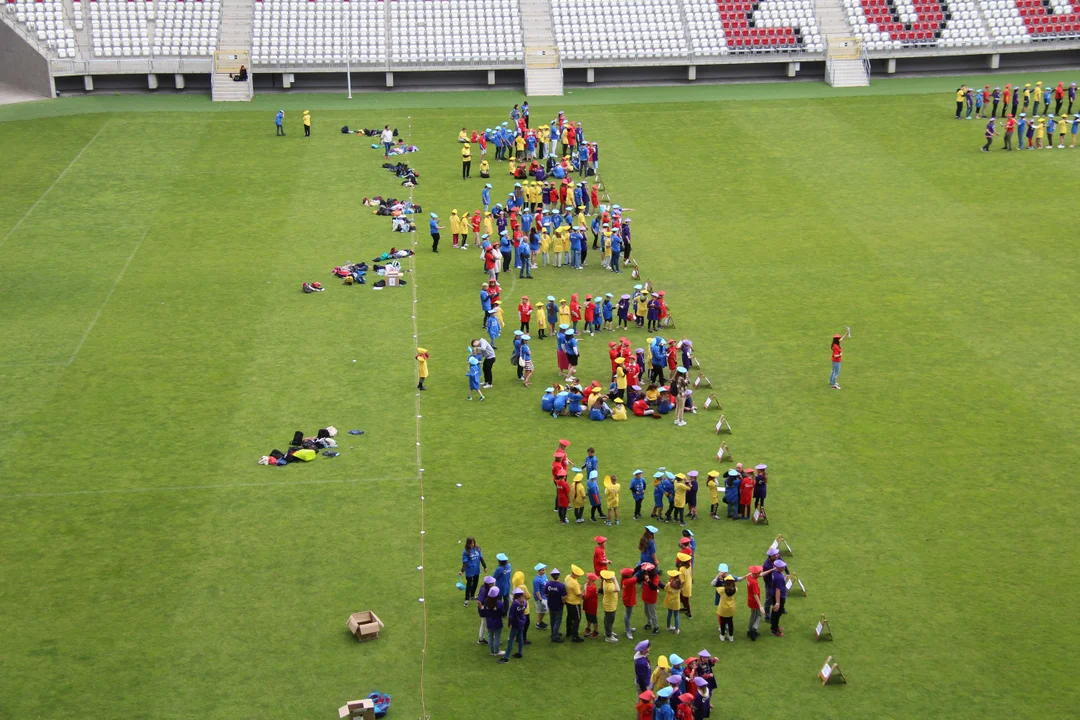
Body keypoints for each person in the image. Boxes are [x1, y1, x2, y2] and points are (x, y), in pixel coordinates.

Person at [459, 536, 486, 607]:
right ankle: (466, 599)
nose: (472, 544)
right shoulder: (466, 552)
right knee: (469, 585)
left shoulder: (477, 549)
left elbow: (481, 558)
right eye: (471, 543)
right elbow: (465, 563)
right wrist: (462, 571)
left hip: (476, 570)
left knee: (475, 583)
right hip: (469, 571)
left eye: (473, 543)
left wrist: (485, 566)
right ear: (468, 544)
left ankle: (472, 595)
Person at [502, 587, 527, 661]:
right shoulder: (524, 602)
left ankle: (506, 657)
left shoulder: (515, 604)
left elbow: (511, 615)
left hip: (516, 623)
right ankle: (520, 653)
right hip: (522, 622)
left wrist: (509, 623)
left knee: (511, 640)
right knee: (520, 637)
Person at [545, 568, 567, 642]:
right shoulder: (561, 586)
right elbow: (563, 597)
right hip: (558, 606)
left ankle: (553, 633)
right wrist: (563, 603)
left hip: (550, 604)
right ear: (558, 576)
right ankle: (554, 637)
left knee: (552, 619)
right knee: (558, 620)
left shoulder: (548, 584)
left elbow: (546, 594)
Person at [483, 587, 505, 657]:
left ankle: (491, 651)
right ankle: (496, 651)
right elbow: (503, 613)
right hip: (497, 621)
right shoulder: (499, 603)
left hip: (489, 621)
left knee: (490, 636)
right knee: (497, 637)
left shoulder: (486, 601)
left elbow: (484, 611)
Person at [565, 565, 585, 642]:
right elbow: (579, 594)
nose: (579, 576)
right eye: (578, 575)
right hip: (574, 603)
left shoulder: (567, 577)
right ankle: (575, 636)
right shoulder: (574, 583)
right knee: (577, 619)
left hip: (568, 601)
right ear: (574, 574)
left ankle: (568, 632)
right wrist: (585, 591)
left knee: (569, 617)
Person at [770, 559, 788, 636]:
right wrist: (778, 602)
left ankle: (775, 626)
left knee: (776, 612)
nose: (784, 568)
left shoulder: (775, 572)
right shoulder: (779, 577)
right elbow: (778, 590)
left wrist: (784, 578)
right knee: (777, 612)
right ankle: (774, 630)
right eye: (782, 567)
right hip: (779, 596)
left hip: (774, 594)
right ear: (778, 567)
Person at [600, 569, 620, 642]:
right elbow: (618, 589)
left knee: (607, 619)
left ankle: (608, 632)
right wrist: (615, 580)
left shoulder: (606, 581)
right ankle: (608, 636)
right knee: (609, 620)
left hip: (608, 603)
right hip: (610, 606)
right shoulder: (609, 585)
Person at [621, 567, 639, 640]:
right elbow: (638, 578)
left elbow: (634, 572)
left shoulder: (625, 580)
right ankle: (628, 630)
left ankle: (628, 628)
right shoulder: (628, 581)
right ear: (628, 575)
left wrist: (639, 567)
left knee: (628, 614)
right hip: (628, 600)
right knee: (628, 615)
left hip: (628, 599)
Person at [664, 569, 682, 634]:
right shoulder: (679, 583)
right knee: (676, 615)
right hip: (676, 602)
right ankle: (677, 630)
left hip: (669, 601)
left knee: (669, 613)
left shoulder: (669, 584)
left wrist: (668, 582)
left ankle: (668, 627)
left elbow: (665, 588)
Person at [583, 572, 600, 638]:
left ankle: (596, 632)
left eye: (587, 578)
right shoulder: (589, 586)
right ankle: (588, 628)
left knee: (593, 619)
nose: (586, 579)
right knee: (588, 617)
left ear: (591, 580)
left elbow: (586, 596)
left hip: (591, 606)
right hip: (588, 605)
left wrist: (584, 588)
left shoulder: (592, 588)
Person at [532, 563, 549, 630]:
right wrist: (540, 600)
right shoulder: (536, 580)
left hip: (545, 596)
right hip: (541, 598)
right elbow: (537, 591)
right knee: (541, 611)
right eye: (542, 570)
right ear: (538, 571)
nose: (544, 571)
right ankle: (538, 624)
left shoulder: (544, 576)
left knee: (543, 610)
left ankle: (540, 621)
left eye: (544, 570)